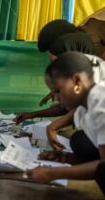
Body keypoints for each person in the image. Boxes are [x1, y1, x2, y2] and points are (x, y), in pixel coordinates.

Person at [26, 52, 104, 195]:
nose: (56, 98)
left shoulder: (101, 102)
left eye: (57, 91)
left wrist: (53, 173)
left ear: (77, 81)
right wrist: (65, 158)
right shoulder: (83, 109)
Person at [15, 32, 98, 151]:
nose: (56, 98)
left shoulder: (98, 91)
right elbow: (65, 108)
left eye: (58, 91)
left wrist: (52, 169)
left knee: (80, 142)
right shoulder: (86, 71)